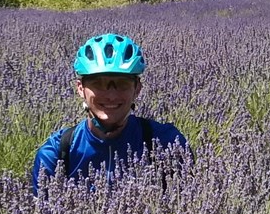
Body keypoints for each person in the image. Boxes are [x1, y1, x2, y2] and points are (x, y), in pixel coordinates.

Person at [31, 33, 188, 194]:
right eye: (98, 84)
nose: (111, 96)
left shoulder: (166, 142)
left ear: (137, 89)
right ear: (80, 88)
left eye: (122, 84)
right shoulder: (56, 154)